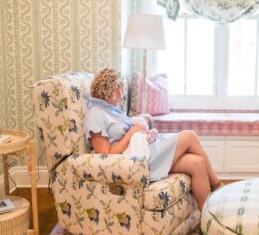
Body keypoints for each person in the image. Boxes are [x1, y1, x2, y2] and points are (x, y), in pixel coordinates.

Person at [85, 68, 221, 210]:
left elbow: (131, 131)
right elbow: (105, 155)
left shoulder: (112, 110)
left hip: (145, 149)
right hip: (138, 160)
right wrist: (130, 135)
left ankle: (206, 221)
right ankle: (218, 186)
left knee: (197, 163)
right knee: (190, 136)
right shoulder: (96, 114)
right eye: (120, 89)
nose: (122, 93)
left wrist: (148, 133)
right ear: (111, 90)